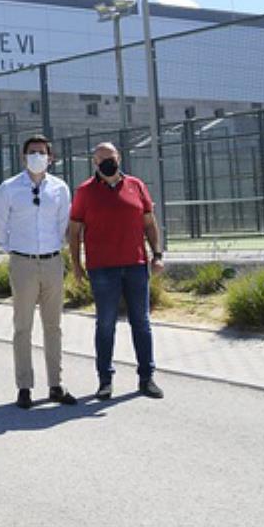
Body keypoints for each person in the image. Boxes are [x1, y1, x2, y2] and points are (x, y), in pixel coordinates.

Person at [68, 142, 165, 400]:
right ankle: (105, 380)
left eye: (110, 157)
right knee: (105, 323)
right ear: (94, 162)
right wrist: (76, 265)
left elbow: (149, 223)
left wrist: (157, 254)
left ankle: (146, 378)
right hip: (102, 269)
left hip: (136, 266)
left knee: (141, 322)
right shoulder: (84, 192)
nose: (107, 162)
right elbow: (74, 232)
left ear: (119, 158)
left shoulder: (136, 185)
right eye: (101, 158)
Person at [0, 135, 78, 409]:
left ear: (50, 158)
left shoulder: (60, 188)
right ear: (23, 157)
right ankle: (24, 386)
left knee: (53, 326)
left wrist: (55, 248)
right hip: (23, 263)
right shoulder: (8, 188)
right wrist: (15, 250)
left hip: (52, 262)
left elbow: (64, 224)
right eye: (32, 152)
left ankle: (56, 384)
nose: (37, 156)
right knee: (23, 327)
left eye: (42, 152)